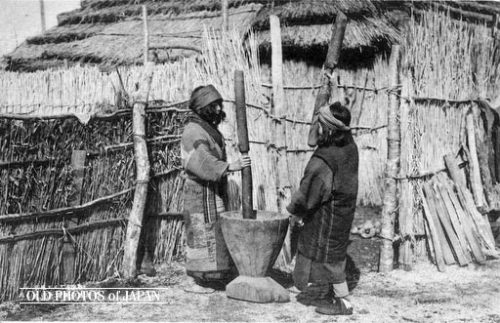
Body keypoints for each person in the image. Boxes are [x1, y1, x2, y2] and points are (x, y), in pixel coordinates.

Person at [287, 101, 358, 315]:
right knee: (333, 251)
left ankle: (343, 302)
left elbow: (309, 192)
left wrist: (294, 210)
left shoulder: (323, 161)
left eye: (322, 125)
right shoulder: (348, 146)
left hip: (328, 213)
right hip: (343, 209)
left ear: (327, 128)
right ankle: (330, 292)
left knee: (330, 256)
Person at [181, 84, 250, 286]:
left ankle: (213, 272)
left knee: (213, 228)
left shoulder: (206, 128)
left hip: (210, 191)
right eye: (215, 106)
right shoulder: (193, 131)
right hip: (199, 191)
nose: (219, 110)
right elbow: (202, 160)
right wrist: (231, 166)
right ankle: (204, 274)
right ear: (203, 108)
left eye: (219, 105)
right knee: (202, 229)